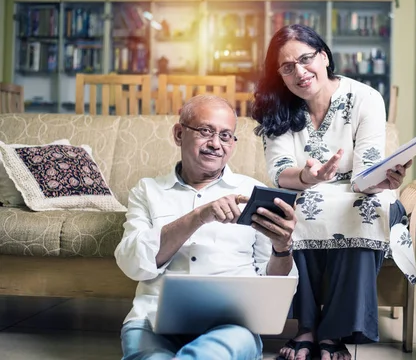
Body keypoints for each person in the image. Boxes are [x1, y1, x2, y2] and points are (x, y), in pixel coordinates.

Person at [251, 24, 416, 360]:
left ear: (324, 56)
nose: (300, 71)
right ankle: (306, 327)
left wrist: (382, 181)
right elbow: (281, 172)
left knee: (367, 208)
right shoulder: (278, 107)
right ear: (280, 75)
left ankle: (335, 332)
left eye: (306, 59)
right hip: (303, 187)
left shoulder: (366, 98)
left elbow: (366, 169)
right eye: (287, 67)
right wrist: (309, 177)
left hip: (357, 190)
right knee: (299, 206)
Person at [114, 95, 298, 360]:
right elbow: (132, 264)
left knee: (214, 353)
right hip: (151, 320)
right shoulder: (147, 190)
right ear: (179, 134)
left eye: (226, 136)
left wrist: (283, 249)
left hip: (232, 328)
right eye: (205, 131)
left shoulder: (253, 194)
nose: (215, 144)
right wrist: (197, 216)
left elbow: (277, 286)